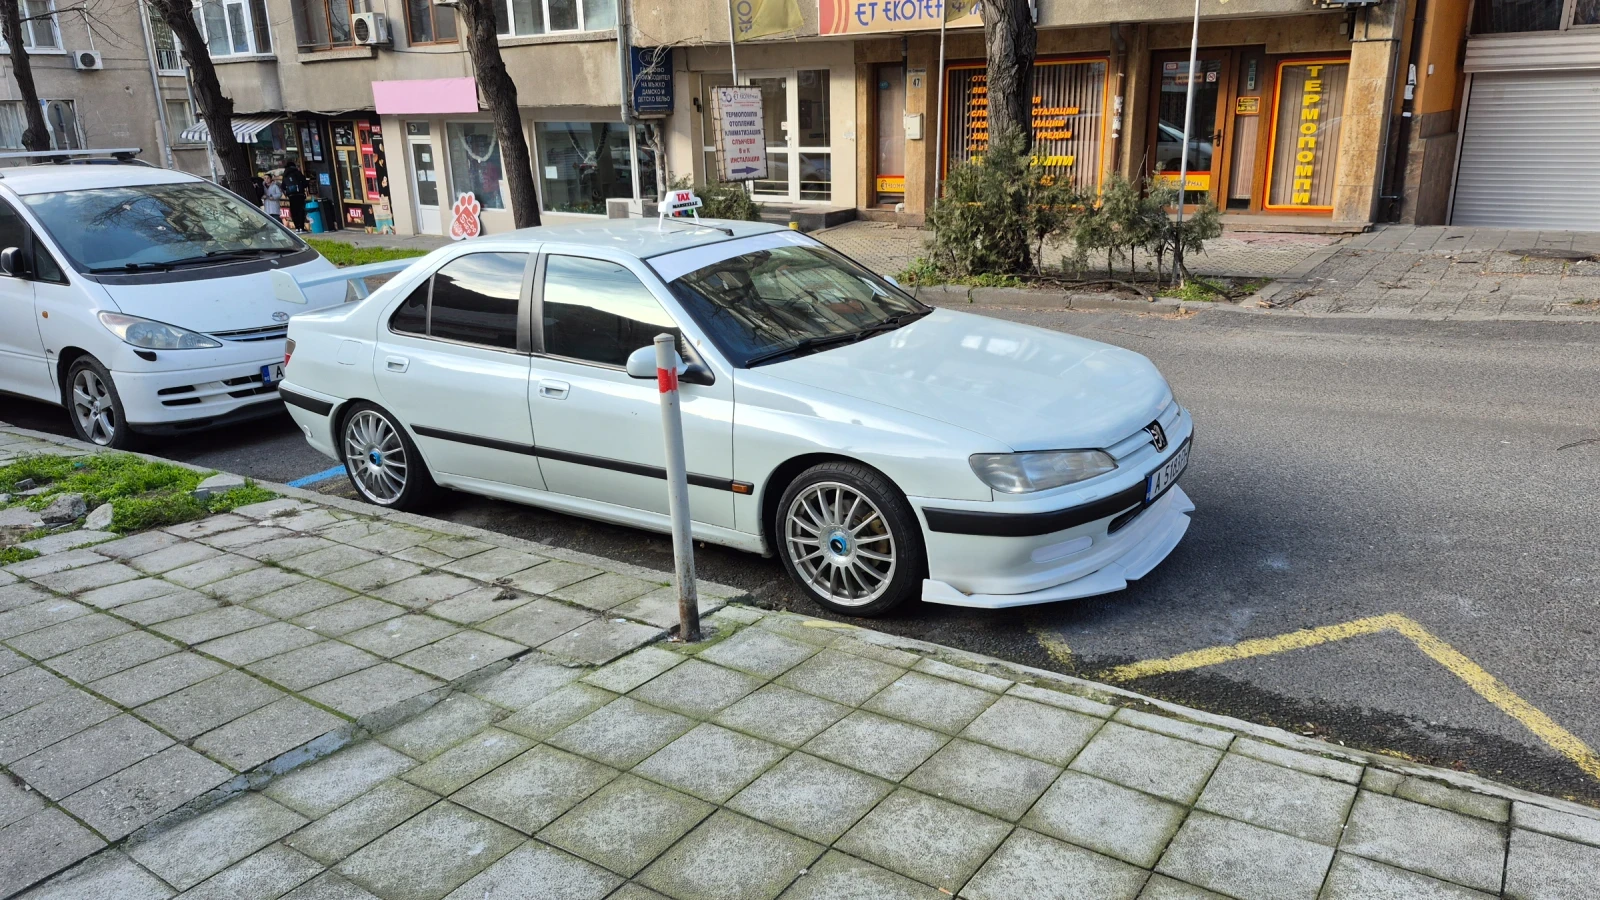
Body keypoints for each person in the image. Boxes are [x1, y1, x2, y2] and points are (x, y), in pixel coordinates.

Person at [281, 160, 308, 232]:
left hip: (291, 195)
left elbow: (283, 186)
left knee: (294, 211)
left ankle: (297, 227)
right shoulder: (297, 173)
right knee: (300, 210)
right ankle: (302, 227)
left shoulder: (285, 175)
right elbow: (305, 183)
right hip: (300, 194)